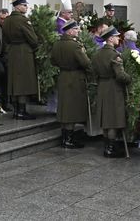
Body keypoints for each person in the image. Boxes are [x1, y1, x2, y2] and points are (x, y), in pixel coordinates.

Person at [50, 19, 93, 149]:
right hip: (75, 78)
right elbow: (86, 63)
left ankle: (65, 137)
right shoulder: (75, 46)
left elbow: (53, 61)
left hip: (63, 76)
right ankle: (68, 139)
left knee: (64, 108)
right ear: (69, 31)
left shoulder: (57, 44)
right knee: (72, 110)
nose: (78, 31)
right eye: (75, 29)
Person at [91, 26, 131, 158]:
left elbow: (94, 72)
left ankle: (107, 146)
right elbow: (120, 75)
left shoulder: (97, 54)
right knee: (113, 119)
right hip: (113, 88)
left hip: (102, 87)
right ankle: (111, 148)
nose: (118, 38)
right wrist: (130, 79)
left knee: (105, 119)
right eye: (116, 36)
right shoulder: (115, 55)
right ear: (110, 38)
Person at [3, 0, 39, 120]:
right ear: (17, 7)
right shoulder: (23, 20)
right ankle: (21, 111)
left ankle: (16, 110)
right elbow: (33, 39)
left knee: (14, 82)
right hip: (24, 52)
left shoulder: (7, 20)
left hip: (12, 51)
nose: (26, 7)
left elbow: (5, 38)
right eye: (24, 5)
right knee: (23, 82)